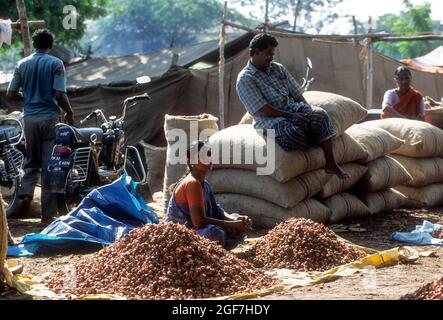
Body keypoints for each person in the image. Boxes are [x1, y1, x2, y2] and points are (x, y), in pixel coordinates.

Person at [236, 33, 349, 179]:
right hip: (271, 121)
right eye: (268, 54)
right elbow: (262, 108)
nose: (271, 58)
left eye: (272, 54)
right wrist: (291, 116)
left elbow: (296, 93)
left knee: (320, 114)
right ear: (256, 52)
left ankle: (331, 163)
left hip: (294, 111)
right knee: (293, 133)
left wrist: (307, 109)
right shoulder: (245, 78)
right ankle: (318, 138)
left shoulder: (278, 68)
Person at [6, 29, 74, 224]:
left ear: (34, 44)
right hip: (50, 118)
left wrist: (28, 99)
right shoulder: (56, 63)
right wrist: (69, 112)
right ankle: (47, 215)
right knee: (49, 166)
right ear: (50, 45)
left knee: (31, 160)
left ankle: (25, 192)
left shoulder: (22, 64)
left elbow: (11, 94)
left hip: (29, 119)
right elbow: (59, 94)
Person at [165, 140, 252, 250]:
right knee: (215, 233)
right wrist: (232, 225)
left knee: (235, 217)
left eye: (209, 154)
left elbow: (217, 211)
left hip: (197, 230)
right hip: (180, 236)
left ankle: (220, 248)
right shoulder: (192, 183)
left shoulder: (204, 184)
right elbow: (198, 221)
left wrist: (236, 220)